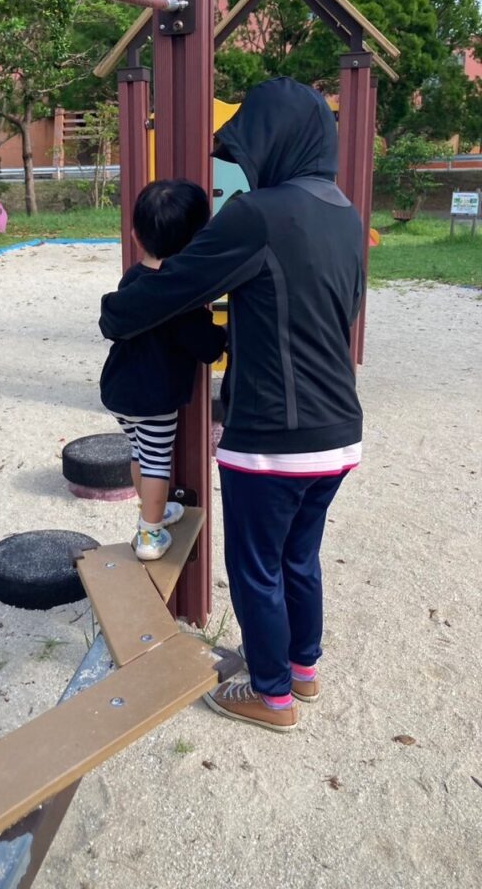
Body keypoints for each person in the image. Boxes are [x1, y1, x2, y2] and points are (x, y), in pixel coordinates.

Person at [100, 78, 364, 732]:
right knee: (298, 558)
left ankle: (270, 695)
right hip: (338, 430)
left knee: (255, 570)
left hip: (272, 434)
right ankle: (300, 669)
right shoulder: (344, 213)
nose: (243, 165)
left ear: (275, 140)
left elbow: (176, 285)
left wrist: (115, 311)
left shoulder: (258, 214)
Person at [99, 179, 227, 561]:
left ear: (136, 236)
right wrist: (225, 336)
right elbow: (206, 345)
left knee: (139, 454)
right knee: (157, 463)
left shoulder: (132, 279)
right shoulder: (179, 296)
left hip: (118, 389)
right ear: (196, 243)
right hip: (152, 397)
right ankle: (149, 535)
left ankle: (153, 512)